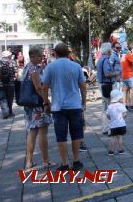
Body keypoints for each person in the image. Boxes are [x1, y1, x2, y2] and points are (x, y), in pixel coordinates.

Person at [42, 43, 86, 171]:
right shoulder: (76, 66)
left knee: (61, 136)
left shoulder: (50, 67)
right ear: (68, 53)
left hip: (58, 107)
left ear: (55, 53)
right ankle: (76, 161)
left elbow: (44, 87)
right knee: (76, 134)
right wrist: (84, 102)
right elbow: (83, 86)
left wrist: (46, 102)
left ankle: (65, 163)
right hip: (75, 105)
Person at [22, 46, 55, 172]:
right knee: (42, 132)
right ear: (33, 56)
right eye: (40, 56)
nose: (42, 57)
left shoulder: (28, 67)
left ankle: (29, 162)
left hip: (30, 105)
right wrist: (47, 102)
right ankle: (45, 160)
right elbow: (38, 88)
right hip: (38, 105)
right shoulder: (33, 70)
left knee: (32, 131)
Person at [97, 43, 119, 135]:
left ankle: (105, 128)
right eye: (110, 49)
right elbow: (107, 74)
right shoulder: (106, 60)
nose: (111, 51)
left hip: (103, 85)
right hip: (107, 85)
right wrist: (116, 73)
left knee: (104, 107)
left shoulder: (100, 59)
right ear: (108, 50)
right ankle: (110, 129)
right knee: (110, 106)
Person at [0, 50, 18, 119]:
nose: (11, 56)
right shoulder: (12, 62)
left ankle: (5, 113)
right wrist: (16, 81)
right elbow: (16, 74)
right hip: (10, 84)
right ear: (8, 56)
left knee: (2, 99)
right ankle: (10, 112)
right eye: (10, 55)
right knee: (10, 98)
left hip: (0, 84)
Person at [106, 89, 127, 155]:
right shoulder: (121, 105)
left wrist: (111, 119)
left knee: (113, 138)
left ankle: (111, 151)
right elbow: (125, 114)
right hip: (121, 125)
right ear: (118, 98)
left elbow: (108, 115)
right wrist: (123, 118)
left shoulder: (109, 106)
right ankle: (121, 150)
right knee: (120, 137)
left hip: (113, 126)